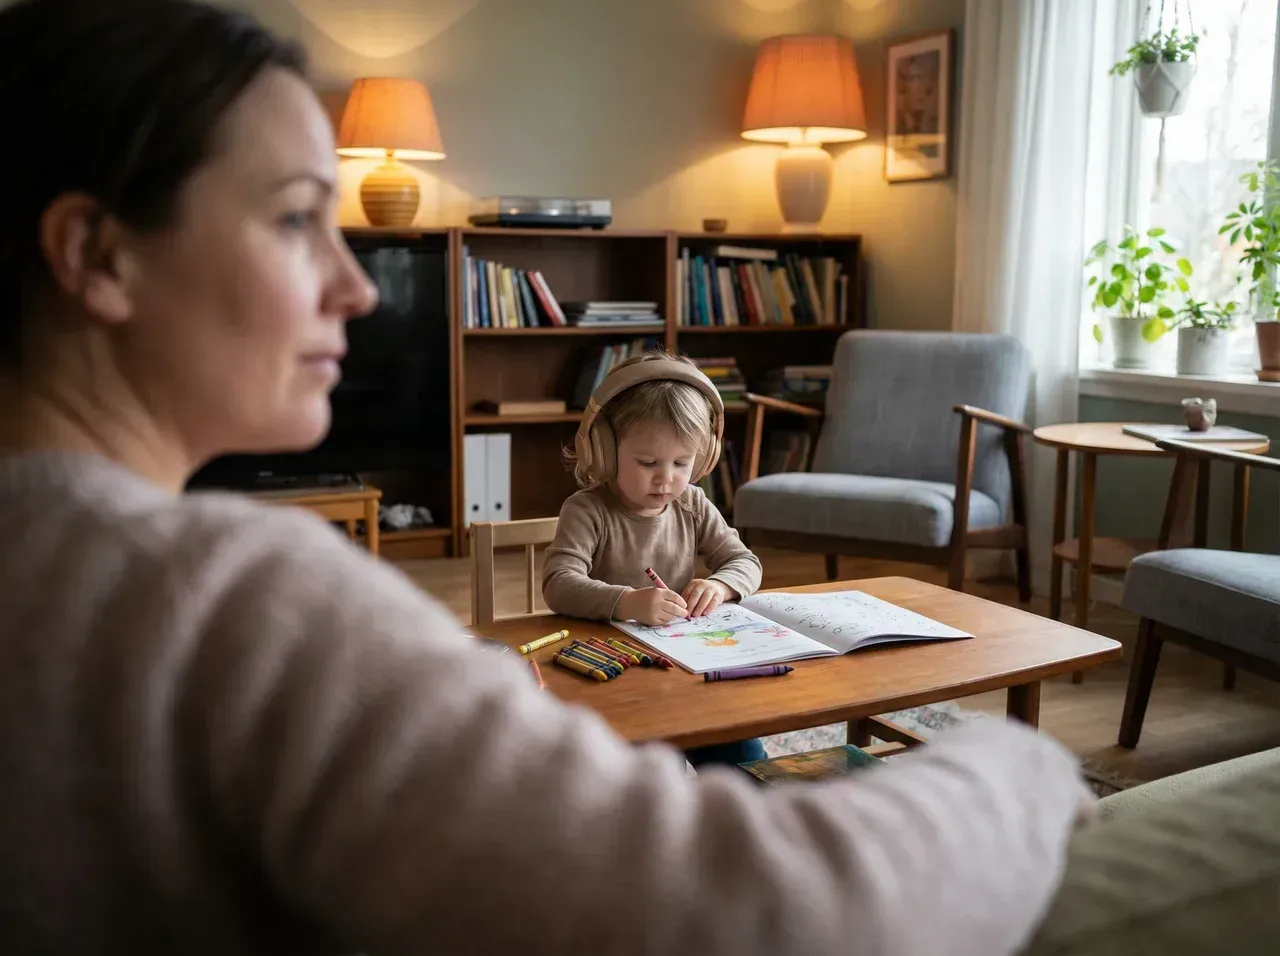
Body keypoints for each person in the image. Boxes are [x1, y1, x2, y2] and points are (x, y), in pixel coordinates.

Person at [0, 0, 1094, 953]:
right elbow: (763, 917)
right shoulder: (236, 596)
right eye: (295, 217)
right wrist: (1022, 772)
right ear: (97, 254)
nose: (358, 287)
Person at [542, 351, 770, 769]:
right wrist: (627, 601)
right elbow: (559, 582)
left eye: (682, 463)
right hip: (607, 672)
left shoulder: (693, 503)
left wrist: (720, 585)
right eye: (648, 463)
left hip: (681, 667)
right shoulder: (587, 509)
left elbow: (745, 562)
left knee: (744, 753)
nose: (666, 478)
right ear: (604, 451)